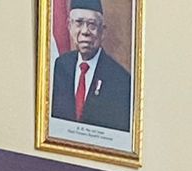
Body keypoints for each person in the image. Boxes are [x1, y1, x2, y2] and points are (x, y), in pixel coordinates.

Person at [50, 0, 133, 132]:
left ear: (102, 32)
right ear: (69, 26)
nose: (85, 31)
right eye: (79, 23)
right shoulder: (60, 66)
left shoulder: (121, 80)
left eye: (92, 25)